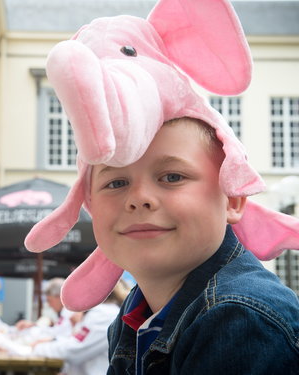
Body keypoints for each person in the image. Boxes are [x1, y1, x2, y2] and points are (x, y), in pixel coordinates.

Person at [24, 0, 299, 373]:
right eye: (116, 181)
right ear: (88, 203)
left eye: (172, 177)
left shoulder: (239, 317)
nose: (139, 199)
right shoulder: (137, 313)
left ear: (233, 196)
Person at [32, 281, 127, 375]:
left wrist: (37, 348)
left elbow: (74, 350)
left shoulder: (103, 315)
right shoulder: (99, 313)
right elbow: (75, 343)